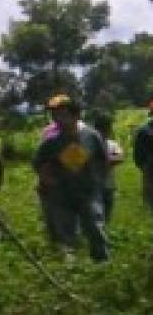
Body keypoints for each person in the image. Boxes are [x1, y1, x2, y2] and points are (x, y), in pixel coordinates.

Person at [33, 95, 109, 262]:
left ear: (75, 115)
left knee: (95, 230)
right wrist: (47, 179)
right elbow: (38, 163)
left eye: (61, 114)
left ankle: (102, 265)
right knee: (66, 236)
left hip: (88, 193)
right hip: (61, 196)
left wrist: (99, 183)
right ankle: (71, 271)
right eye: (54, 115)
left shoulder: (91, 136)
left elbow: (103, 160)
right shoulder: (51, 141)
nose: (57, 119)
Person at [92, 113, 123, 223]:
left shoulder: (112, 144)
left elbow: (120, 157)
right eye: (102, 130)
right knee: (97, 214)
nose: (104, 133)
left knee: (108, 211)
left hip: (109, 185)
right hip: (94, 187)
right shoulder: (89, 145)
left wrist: (103, 161)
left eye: (106, 130)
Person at [134, 99, 153, 210]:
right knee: (149, 190)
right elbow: (138, 151)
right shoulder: (144, 130)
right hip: (149, 164)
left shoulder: (143, 130)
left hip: (147, 163)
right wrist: (143, 165)